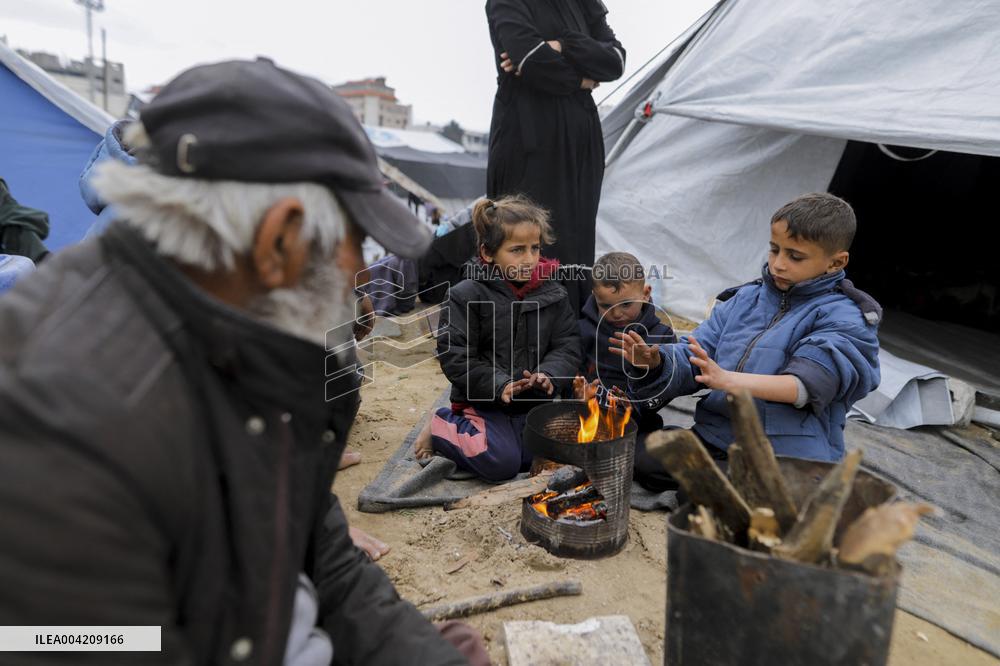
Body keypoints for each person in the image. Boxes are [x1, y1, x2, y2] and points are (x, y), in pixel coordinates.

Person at [0, 58, 487, 665]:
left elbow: (322, 558)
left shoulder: (238, 327)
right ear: (279, 239)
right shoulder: (68, 432)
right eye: (351, 242)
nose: (354, 272)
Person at [611, 193, 882, 489]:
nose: (778, 264)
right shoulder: (745, 299)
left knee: (712, 495)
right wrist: (658, 360)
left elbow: (805, 386)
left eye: (795, 256)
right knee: (637, 457)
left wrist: (727, 379)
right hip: (717, 439)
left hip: (785, 457)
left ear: (836, 262)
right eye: (774, 250)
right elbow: (698, 354)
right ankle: (721, 484)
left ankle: (729, 488)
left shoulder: (846, 317)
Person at [414, 195, 581, 480]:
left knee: (542, 457)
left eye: (535, 248)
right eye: (517, 250)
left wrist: (549, 374)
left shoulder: (554, 293)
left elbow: (568, 345)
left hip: (533, 404)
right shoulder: (466, 295)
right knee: (501, 464)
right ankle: (442, 424)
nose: (529, 259)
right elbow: (455, 355)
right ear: (488, 253)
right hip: (484, 403)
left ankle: (507, 442)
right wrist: (497, 384)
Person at [485, 0, 626, 312]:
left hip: (580, 139)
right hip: (528, 137)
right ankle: (525, 334)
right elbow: (532, 60)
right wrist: (581, 80)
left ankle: (570, 331)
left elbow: (615, 61)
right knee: (524, 231)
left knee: (576, 236)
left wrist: (562, 45)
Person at [574, 252, 676, 488]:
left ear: (646, 293)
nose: (616, 314)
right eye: (606, 306)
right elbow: (575, 371)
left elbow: (667, 388)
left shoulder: (660, 336)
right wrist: (579, 394)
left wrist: (651, 369)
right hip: (587, 414)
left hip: (635, 422)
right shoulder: (585, 329)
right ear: (594, 298)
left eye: (626, 305)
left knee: (643, 460)